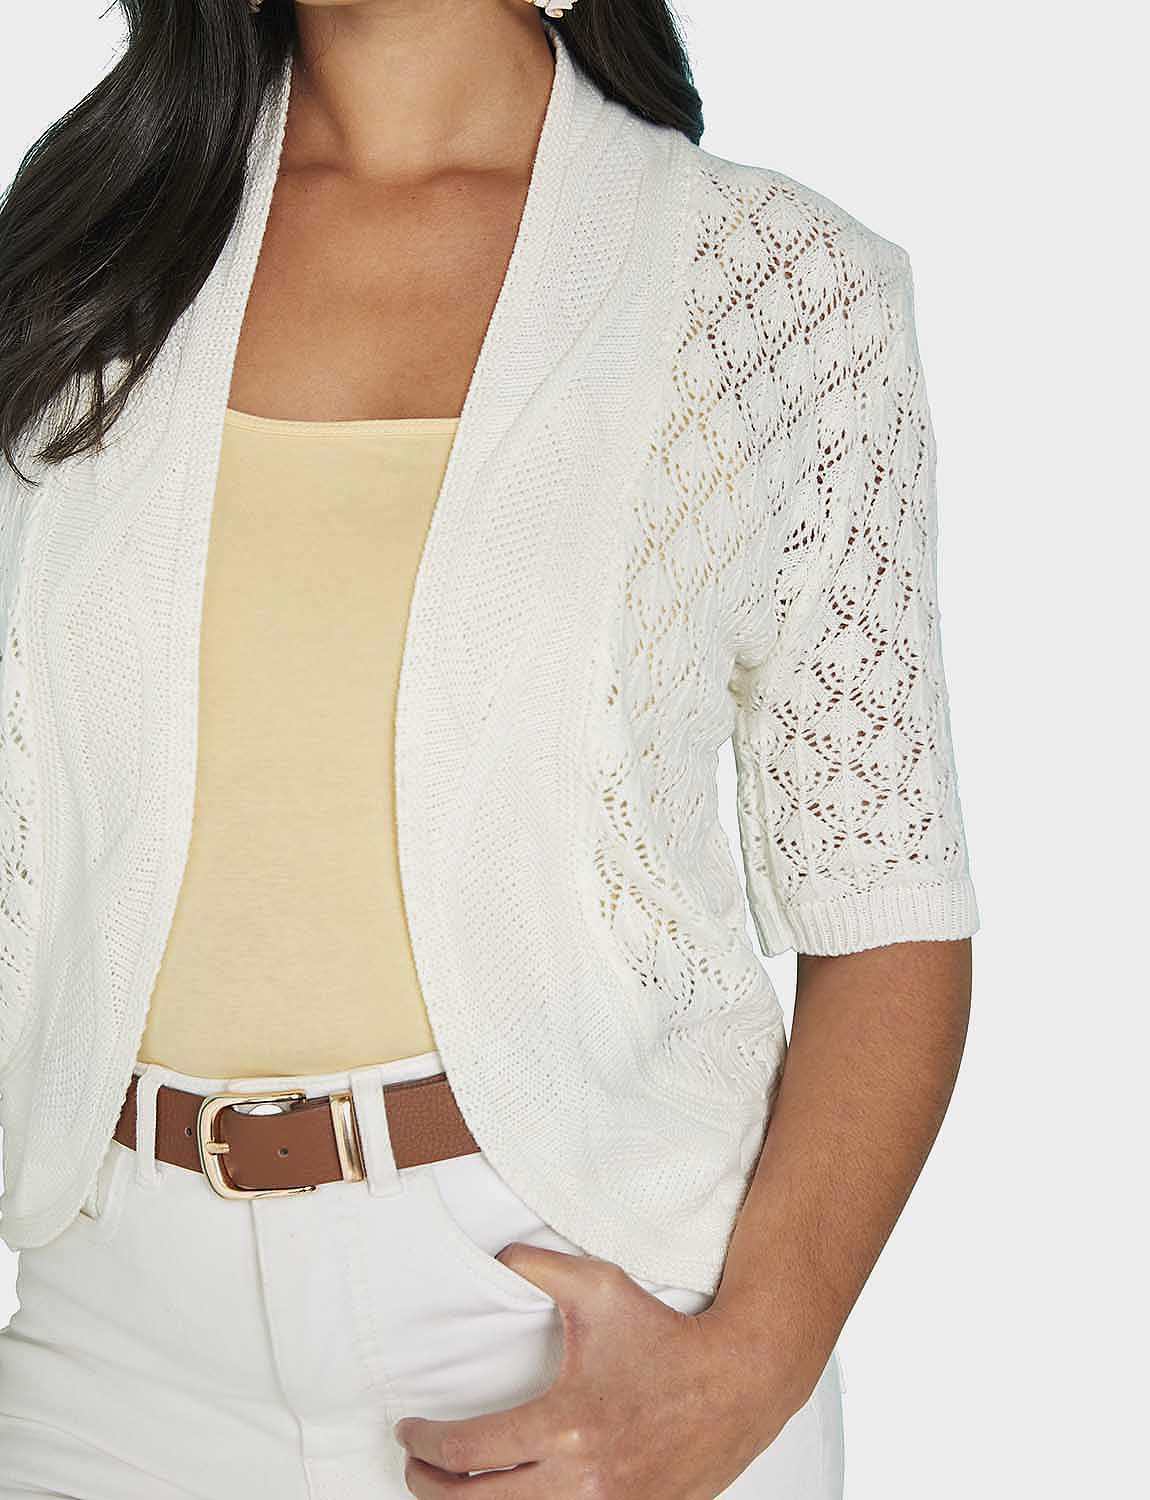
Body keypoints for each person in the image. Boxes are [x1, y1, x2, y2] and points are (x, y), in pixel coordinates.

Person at [0, 1, 980, 1496]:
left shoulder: (773, 287)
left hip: (579, 1323)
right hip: (111, 1342)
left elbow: (887, 902)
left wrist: (748, 1368)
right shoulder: (85, 257)